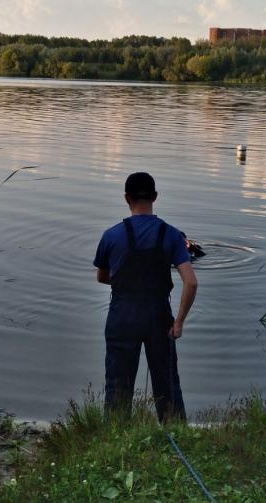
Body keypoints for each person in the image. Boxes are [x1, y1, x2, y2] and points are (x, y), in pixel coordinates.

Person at [93, 172, 198, 422]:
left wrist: (127, 283)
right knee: (167, 385)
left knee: (118, 385)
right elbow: (191, 282)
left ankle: (116, 437)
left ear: (126, 198)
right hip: (158, 317)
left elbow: (102, 277)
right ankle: (173, 433)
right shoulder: (172, 235)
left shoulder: (111, 236)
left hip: (122, 316)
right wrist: (179, 322)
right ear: (155, 197)